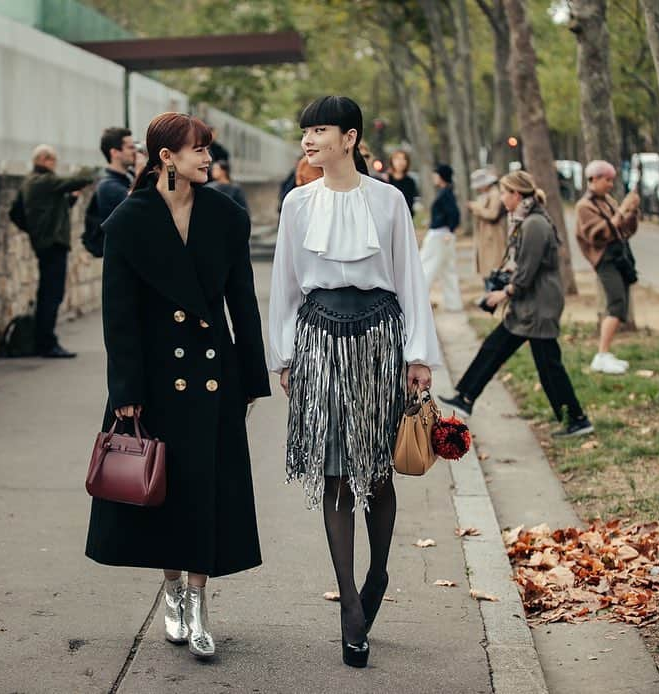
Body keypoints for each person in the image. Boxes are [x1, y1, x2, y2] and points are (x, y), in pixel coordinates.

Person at [85, 112, 271, 661]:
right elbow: (117, 316)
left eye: (208, 150)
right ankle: (175, 596)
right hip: (157, 379)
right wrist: (125, 390)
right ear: (166, 157)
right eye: (198, 150)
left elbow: (243, 303)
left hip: (215, 378)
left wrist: (251, 378)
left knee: (207, 490)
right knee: (167, 490)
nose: (208, 158)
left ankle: (200, 602)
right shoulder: (127, 221)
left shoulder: (227, 216)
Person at [268, 96, 441, 669]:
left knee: (377, 471)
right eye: (304, 132)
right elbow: (285, 286)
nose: (308, 141)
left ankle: (379, 571)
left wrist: (419, 356)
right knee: (336, 469)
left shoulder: (389, 201)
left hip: (379, 342)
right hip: (318, 341)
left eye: (318, 130)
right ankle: (348, 603)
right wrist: (285, 356)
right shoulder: (297, 204)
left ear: (350, 137)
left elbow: (411, 281)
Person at [439, 170, 593, 438]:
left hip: (538, 306)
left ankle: (577, 419)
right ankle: (465, 398)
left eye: (503, 192)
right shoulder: (527, 219)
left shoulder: (534, 223)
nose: (501, 198)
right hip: (530, 305)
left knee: (549, 367)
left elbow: (528, 270)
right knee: (494, 348)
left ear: (516, 194)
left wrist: (504, 293)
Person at [19, 144, 95, 358]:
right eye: (53, 160)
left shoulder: (29, 182)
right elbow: (75, 181)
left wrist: (35, 230)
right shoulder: (44, 180)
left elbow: (20, 212)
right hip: (53, 245)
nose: (55, 165)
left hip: (45, 243)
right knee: (52, 294)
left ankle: (43, 340)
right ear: (44, 159)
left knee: (48, 292)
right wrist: (90, 169)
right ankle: (46, 343)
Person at [575, 160, 641, 375]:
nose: (610, 184)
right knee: (616, 303)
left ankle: (605, 353)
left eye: (612, 180)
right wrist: (621, 211)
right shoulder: (584, 206)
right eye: (607, 180)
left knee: (620, 304)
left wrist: (631, 212)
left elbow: (624, 229)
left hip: (618, 257)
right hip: (604, 259)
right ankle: (601, 355)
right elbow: (598, 235)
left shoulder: (608, 201)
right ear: (593, 179)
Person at [83, 127, 135, 258]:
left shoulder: (129, 176)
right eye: (130, 147)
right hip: (121, 258)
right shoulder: (108, 186)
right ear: (115, 152)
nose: (135, 152)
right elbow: (138, 207)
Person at [420, 164, 463, 312]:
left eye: (436, 175)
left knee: (426, 267)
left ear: (442, 176)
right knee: (447, 270)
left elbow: (454, 214)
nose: (434, 177)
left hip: (440, 235)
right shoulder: (446, 192)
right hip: (443, 234)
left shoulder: (445, 193)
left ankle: (419, 301)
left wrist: (450, 231)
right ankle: (454, 303)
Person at [467, 168, 508, 288]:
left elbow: (492, 214)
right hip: (485, 235)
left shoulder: (494, 194)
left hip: (492, 235)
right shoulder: (487, 195)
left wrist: (476, 208)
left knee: (492, 266)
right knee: (487, 267)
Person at [385, 149, 417, 215]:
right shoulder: (386, 180)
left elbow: (410, 203)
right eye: (397, 159)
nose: (401, 162)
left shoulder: (410, 182)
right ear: (392, 161)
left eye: (404, 159)